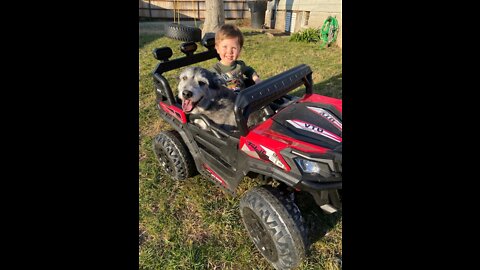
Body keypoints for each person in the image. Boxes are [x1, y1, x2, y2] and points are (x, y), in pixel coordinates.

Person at [211, 24, 262, 91]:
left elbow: (250, 70)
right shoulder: (215, 70)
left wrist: (256, 79)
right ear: (217, 48)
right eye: (225, 47)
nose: (229, 51)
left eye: (234, 48)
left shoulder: (239, 65)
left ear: (239, 50)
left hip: (243, 98)